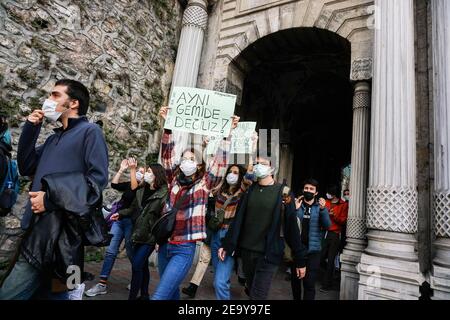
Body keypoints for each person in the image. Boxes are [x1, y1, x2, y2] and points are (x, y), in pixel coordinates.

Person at [0, 79, 109, 300]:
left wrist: (49, 200)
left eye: (55, 95)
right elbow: (26, 166)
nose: (48, 100)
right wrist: (31, 128)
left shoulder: (90, 132)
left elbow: (96, 182)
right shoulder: (53, 138)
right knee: (56, 292)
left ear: (74, 103)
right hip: (37, 228)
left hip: (64, 234)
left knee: (11, 294)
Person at [151, 106, 239, 300]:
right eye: (184, 158)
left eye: (192, 159)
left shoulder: (204, 184)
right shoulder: (173, 178)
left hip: (184, 248)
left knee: (158, 296)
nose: (186, 162)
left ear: (199, 165)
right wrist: (168, 127)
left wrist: (227, 134)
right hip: (165, 244)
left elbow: (219, 165)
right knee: (171, 292)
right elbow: (166, 158)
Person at [219, 155, 307, 300]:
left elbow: (292, 227)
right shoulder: (249, 191)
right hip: (247, 253)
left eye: (263, 163)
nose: (258, 166)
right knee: (251, 291)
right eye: (256, 163)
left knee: (258, 297)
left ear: (272, 168)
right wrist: (227, 244)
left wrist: (300, 259)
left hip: (268, 255)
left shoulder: (284, 193)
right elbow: (238, 220)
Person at [85, 158, 144, 297]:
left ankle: (137, 281)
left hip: (131, 222)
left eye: (142, 172)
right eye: (139, 171)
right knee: (111, 252)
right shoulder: (130, 184)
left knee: (131, 253)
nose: (139, 173)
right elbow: (114, 184)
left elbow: (135, 189)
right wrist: (121, 169)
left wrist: (133, 170)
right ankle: (102, 284)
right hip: (119, 220)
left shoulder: (143, 188)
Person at [110, 163, 168, 300]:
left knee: (136, 265)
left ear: (157, 175)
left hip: (151, 236)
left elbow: (164, 218)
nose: (146, 174)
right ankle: (145, 294)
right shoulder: (142, 189)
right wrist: (121, 213)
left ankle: (132, 297)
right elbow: (133, 209)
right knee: (142, 265)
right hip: (138, 232)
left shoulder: (164, 193)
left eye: (149, 171)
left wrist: (160, 239)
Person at [291, 178, 331, 300]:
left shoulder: (320, 207)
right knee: (296, 282)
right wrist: (295, 209)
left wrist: (324, 210)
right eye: (306, 188)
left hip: (313, 251)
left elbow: (327, 225)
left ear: (316, 193)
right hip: (298, 250)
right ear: (303, 190)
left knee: (309, 283)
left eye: (311, 189)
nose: (308, 191)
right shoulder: (297, 204)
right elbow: (290, 225)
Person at [320, 184, 349, 292]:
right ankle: (328, 276)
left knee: (331, 259)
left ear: (334, 195)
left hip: (335, 234)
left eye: (330, 193)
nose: (328, 195)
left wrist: (333, 215)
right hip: (324, 232)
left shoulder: (343, 204)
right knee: (320, 256)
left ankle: (327, 284)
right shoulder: (326, 202)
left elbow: (343, 220)